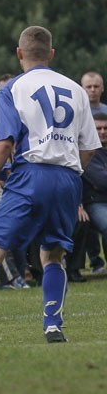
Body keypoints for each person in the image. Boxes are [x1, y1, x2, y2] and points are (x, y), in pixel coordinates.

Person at [0, 25, 100, 347]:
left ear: (19, 54)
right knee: (53, 255)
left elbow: (2, 143)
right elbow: (90, 146)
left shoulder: (12, 89)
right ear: (51, 54)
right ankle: (53, 325)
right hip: (68, 178)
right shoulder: (76, 89)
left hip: (31, 174)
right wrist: (70, 174)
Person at [81, 112, 107, 276]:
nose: (103, 132)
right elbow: (101, 181)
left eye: (106, 128)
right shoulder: (87, 151)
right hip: (94, 202)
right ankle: (97, 264)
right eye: (98, 128)